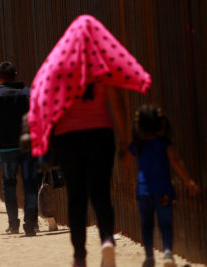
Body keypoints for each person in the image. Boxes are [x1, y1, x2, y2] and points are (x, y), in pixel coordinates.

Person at [28, 15, 152, 267]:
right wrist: (124, 141)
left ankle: (79, 256)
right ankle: (107, 239)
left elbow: (45, 101)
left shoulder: (59, 67)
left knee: (76, 196)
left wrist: (45, 139)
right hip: (100, 135)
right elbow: (117, 104)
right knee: (100, 193)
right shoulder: (101, 66)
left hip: (68, 139)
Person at [126, 104, 199, 267]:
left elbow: (125, 159)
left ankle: (149, 256)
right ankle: (167, 253)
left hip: (144, 192)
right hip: (164, 191)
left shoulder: (138, 145)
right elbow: (175, 162)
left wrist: (130, 135)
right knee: (165, 223)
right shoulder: (165, 143)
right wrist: (189, 181)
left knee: (146, 225)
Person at [0, 61, 39, 236]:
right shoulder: (29, 94)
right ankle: (31, 224)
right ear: (15, 74)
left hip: (6, 150)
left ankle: (13, 224)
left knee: (9, 184)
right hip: (28, 147)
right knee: (30, 184)